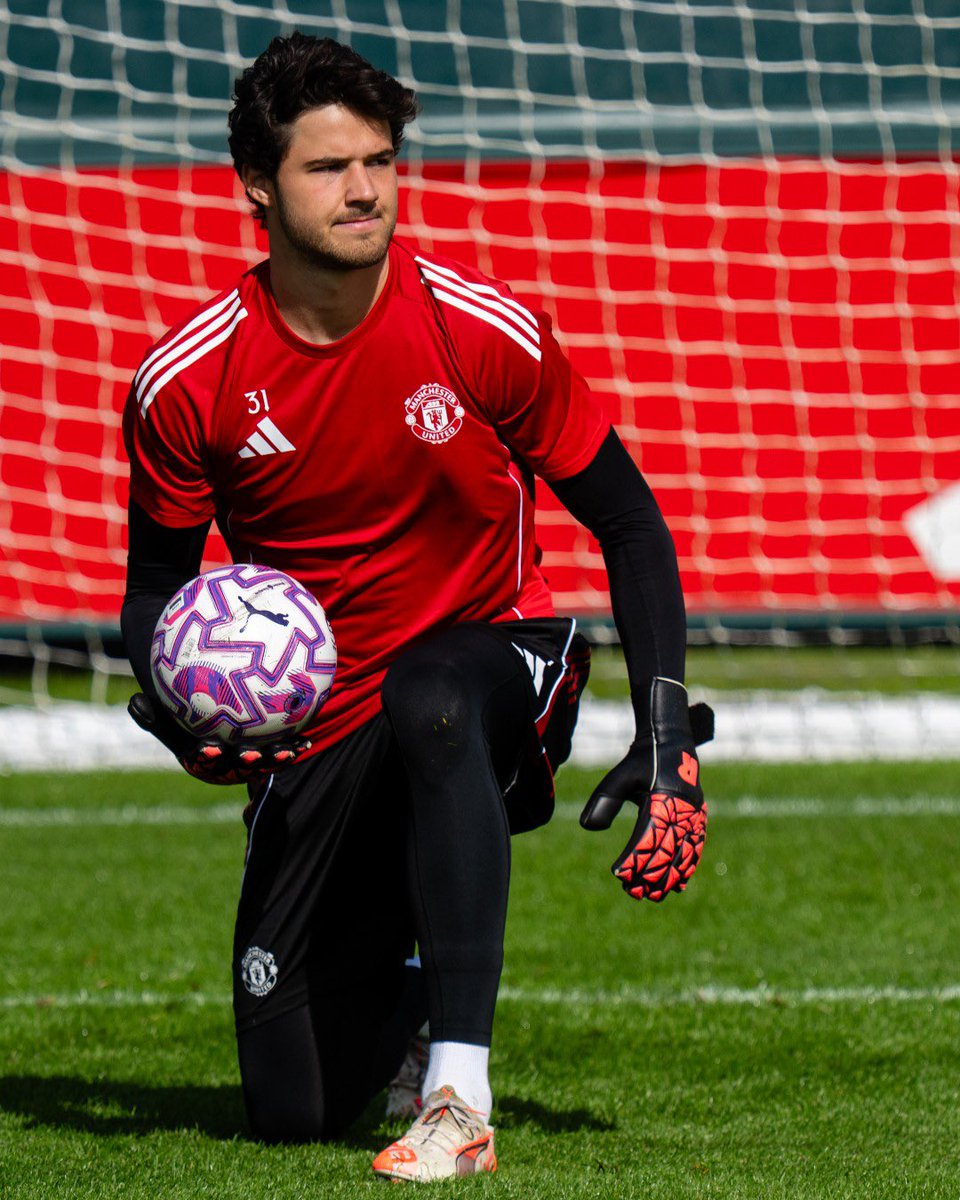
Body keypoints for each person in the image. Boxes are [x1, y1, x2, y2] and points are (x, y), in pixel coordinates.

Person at [121, 32, 710, 1183]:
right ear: (254, 183)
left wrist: (670, 737)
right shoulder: (186, 383)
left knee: (432, 695)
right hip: (320, 725)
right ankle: (398, 994)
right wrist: (180, 709)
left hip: (496, 665)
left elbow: (633, 527)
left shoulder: (477, 330)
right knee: (292, 1109)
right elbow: (151, 597)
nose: (364, 189)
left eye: (381, 161)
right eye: (327, 166)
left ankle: (457, 1091)